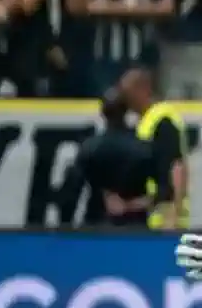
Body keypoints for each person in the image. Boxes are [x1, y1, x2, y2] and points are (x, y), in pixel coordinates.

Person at [67, 88, 172, 227]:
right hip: (134, 228)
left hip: (96, 227)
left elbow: (72, 193)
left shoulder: (89, 148)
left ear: (102, 113)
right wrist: (129, 205)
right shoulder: (144, 149)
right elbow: (165, 192)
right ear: (127, 111)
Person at [120, 68, 188, 229]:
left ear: (143, 90)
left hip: (165, 220)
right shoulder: (146, 122)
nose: (126, 101)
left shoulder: (162, 121)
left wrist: (174, 215)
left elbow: (177, 167)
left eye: (127, 94)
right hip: (153, 218)